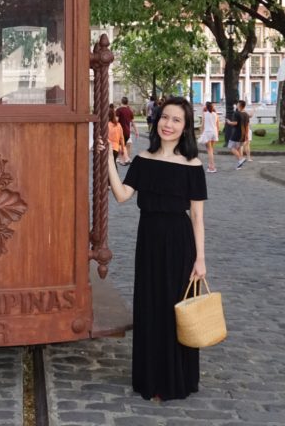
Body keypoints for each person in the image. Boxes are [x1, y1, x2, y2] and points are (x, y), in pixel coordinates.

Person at [102, 96, 207, 401]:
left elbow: (198, 217)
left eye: (176, 120)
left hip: (180, 242)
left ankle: (176, 378)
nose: (168, 124)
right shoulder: (143, 161)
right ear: (156, 120)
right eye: (165, 118)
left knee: (176, 309)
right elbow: (121, 195)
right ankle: (150, 377)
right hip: (148, 240)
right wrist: (109, 157)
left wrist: (200, 259)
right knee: (150, 306)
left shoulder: (193, 165)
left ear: (185, 128)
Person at [225, 100, 250, 169]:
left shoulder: (236, 113)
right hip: (243, 134)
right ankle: (239, 164)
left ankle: (240, 159)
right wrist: (247, 135)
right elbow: (247, 125)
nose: (237, 105)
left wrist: (229, 122)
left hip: (237, 134)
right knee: (238, 149)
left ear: (240, 105)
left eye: (238, 104)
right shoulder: (246, 114)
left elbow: (235, 123)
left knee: (231, 147)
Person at [197, 101, 219, 173]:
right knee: (211, 150)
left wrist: (201, 133)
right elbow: (217, 125)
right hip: (214, 133)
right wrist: (217, 134)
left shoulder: (205, 114)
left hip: (208, 133)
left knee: (209, 150)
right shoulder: (215, 114)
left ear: (206, 107)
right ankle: (210, 165)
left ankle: (212, 167)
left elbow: (202, 125)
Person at [117, 97, 135, 165]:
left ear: (121, 101)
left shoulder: (119, 110)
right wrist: (136, 131)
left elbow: (116, 120)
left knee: (121, 145)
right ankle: (125, 159)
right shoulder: (130, 111)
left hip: (120, 131)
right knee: (122, 145)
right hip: (127, 131)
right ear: (127, 102)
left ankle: (124, 159)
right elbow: (133, 122)